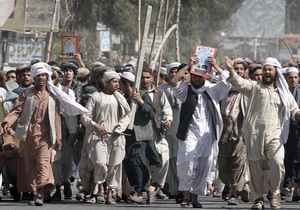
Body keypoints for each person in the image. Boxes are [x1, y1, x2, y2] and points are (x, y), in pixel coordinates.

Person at [1, 62, 88, 206]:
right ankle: (34, 191)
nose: (41, 78)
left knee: (43, 164)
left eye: (43, 75)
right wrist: (7, 122)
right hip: (28, 137)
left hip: (46, 138)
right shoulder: (26, 94)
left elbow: (57, 119)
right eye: (38, 76)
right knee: (30, 167)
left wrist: (58, 138)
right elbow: (16, 111)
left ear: (47, 77)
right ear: (34, 78)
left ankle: (41, 193)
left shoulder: (52, 96)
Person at [226, 56, 300, 210]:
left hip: (274, 133)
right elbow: (239, 83)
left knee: (278, 162)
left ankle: (273, 194)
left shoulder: (283, 92)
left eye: (269, 69)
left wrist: (298, 115)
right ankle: (258, 198)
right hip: (254, 133)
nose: (266, 72)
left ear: (275, 72)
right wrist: (231, 69)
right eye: (265, 69)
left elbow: (294, 109)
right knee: (255, 168)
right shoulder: (255, 87)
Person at [170, 55, 231, 208]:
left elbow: (227, 81)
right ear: (191, 75)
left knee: (204, 164)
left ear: (206, 76)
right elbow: (173, 82)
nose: (197, 79)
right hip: (189, 134)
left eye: (200, 76)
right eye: (195, 76)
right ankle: (185, 195)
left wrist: (216, 66)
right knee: (187, 162)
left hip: (208, 135)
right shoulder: (186, 90)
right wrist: (188, 65)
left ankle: (195, 197)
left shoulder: (213, 90)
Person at [81, 70, 131, 205]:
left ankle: (110, 192)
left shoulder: (119, 98)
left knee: (114, 165)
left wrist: (119, 128)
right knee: (100, 163)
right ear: (106, 82)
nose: (117, 84)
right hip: (98, 137)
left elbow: (127, 115)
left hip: (115, 137)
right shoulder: (96, 98)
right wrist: (95, 125)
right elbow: (85, 116)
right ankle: (99, 188)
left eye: (118, 82)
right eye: (114, 82)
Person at [119, 72, 161, 204]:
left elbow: (152, 112)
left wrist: (141, 102)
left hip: (141, 136)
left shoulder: (143, 95)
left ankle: (139, 192)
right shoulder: (123, 97)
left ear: (127, 84)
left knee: (138, 163)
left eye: (121, 84)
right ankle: (149, 188)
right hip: (128, 136)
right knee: (130, 163)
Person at [218, 58, 249, 205]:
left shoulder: (248, 89)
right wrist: (216, 66)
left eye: (240, 69)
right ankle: (228, 185)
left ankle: (234, 194)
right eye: (235, 69)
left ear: (244, 72)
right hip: (223, 133)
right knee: (223, 164)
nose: (238, 71)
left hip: (241, 132)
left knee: (238, 163)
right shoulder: (224, 88)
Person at [140, 67, 173, 204]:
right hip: (140, 134)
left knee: (164, 158)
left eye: (147, 77)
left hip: (157, 133)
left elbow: (167, 111)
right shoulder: (134, 93)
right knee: (142, 163)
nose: (145, 80)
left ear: (152, 78)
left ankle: (153, 187)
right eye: (142, 77)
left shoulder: (159, 93)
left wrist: (168, 120)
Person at [282, 66, 300, 202]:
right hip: (284, 129)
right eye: (290, 78)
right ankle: (286, 186)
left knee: (297, 158)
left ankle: (294, 187)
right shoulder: (281, 92)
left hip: (298, 129)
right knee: (286, 158)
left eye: (295, 77)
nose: (293, 80)